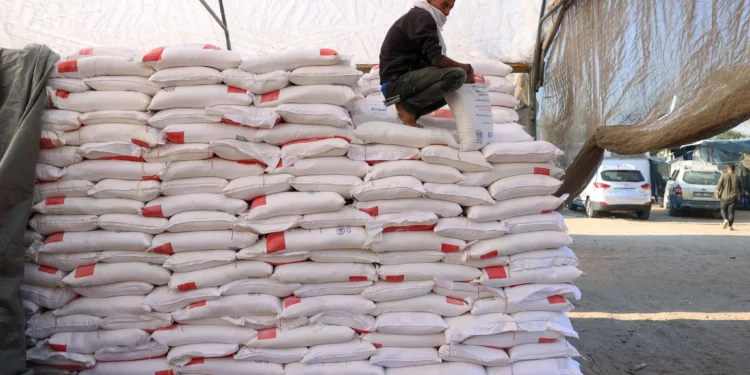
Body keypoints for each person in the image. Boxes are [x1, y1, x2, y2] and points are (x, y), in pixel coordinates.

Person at [379, 0, 475, 127]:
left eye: (451, 8)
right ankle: (408, 109)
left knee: (459, 83)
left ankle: (411, 112)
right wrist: (468, 68)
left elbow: (431, 61)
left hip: (403, 83)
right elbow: (437, 60)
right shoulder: (423, 17)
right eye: (444, 5)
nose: (447, 13)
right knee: (457, 75)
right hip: (395, 84)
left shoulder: (423, 16)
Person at [715, 164, 743, 230]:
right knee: (731, 212)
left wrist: (717, 194)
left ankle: (725, 219)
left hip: (724, 197)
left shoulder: (723, 176)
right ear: (734, 170)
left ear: (728, 169)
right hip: (734, 198)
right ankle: (730, 226)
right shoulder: (737, 177)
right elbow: (741, 189)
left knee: (723, 210)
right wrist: (739, 196)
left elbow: (718, 187)